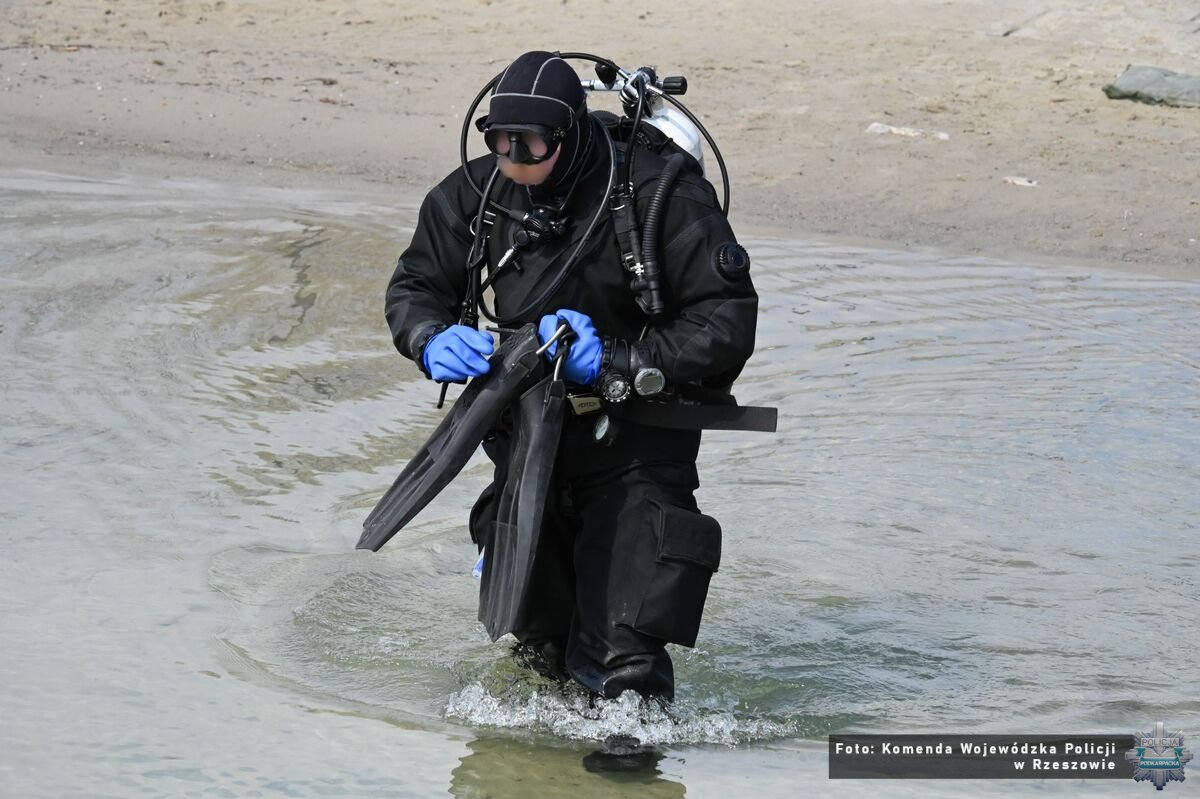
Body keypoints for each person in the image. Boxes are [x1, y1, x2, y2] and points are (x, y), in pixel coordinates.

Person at [383, 51, 759, 700]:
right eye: (499, 140)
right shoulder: (478, 194)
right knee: (539, 655)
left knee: (624, 670)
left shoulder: (659, 193)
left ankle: (628, 748)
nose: (513, 159)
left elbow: (727, 320)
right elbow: (416, 284)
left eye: (530, 144)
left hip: (639, 444)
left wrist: (616, 360)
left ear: (569, 131)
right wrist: (429, 337)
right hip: (530, 447)